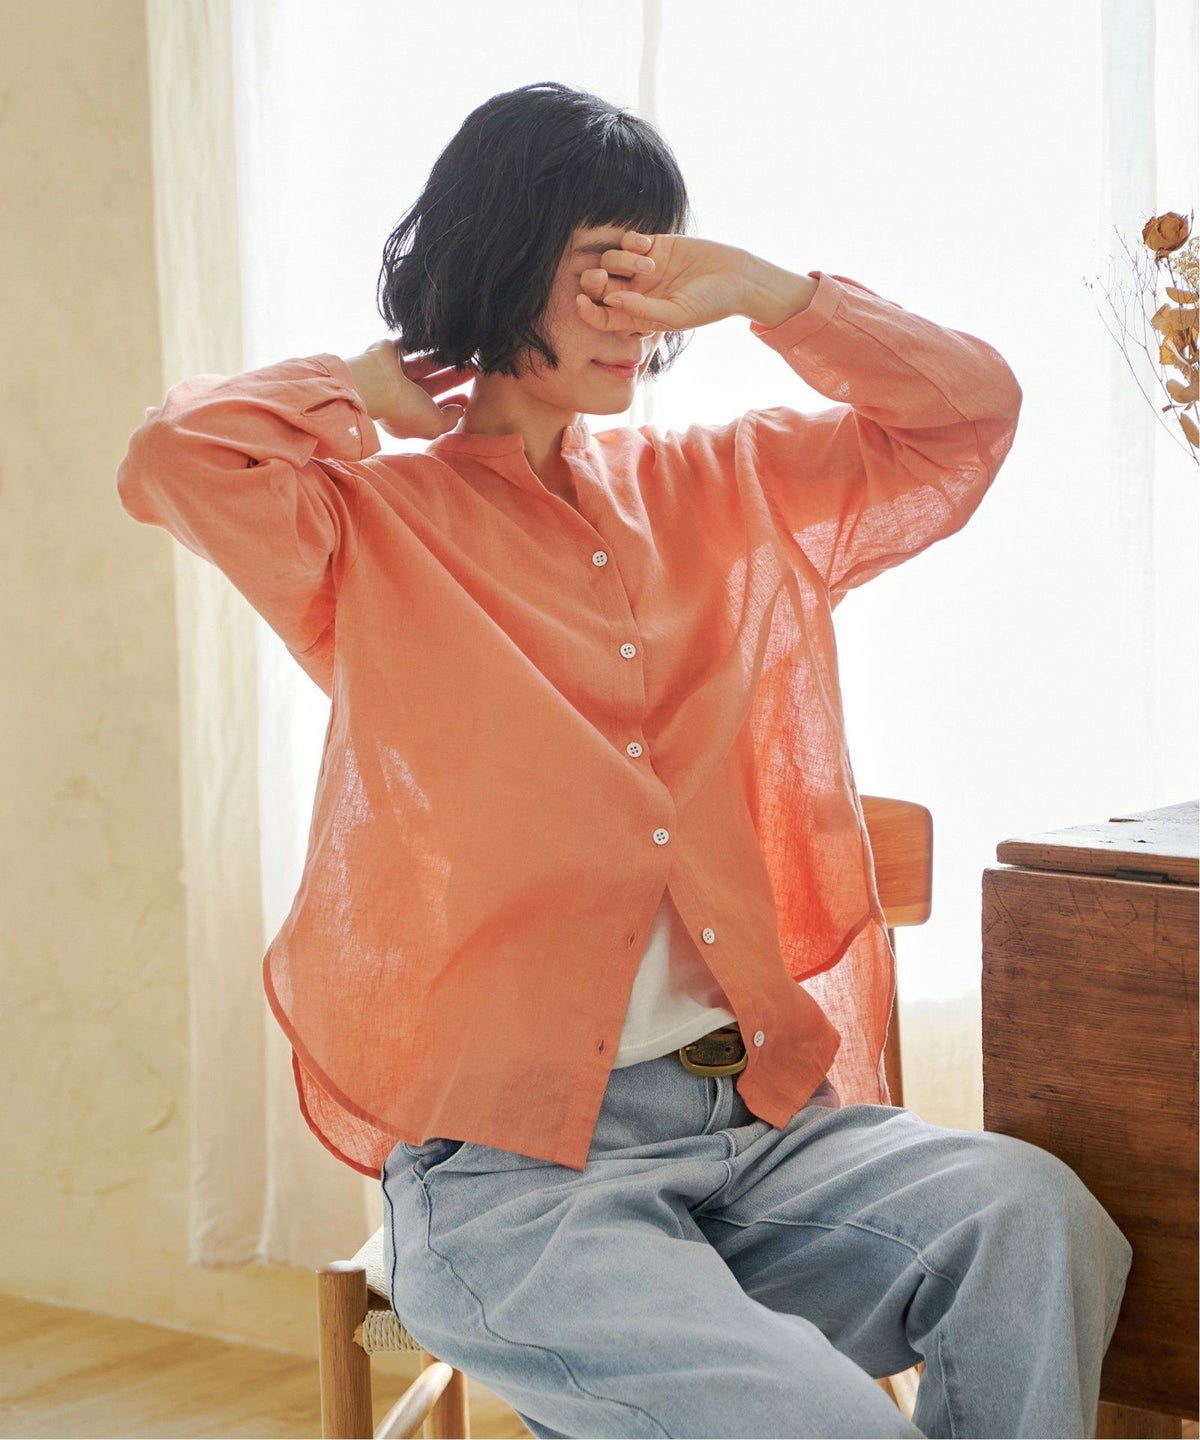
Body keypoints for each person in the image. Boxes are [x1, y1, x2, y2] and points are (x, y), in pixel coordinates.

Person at [117, 80, 1132, 1439]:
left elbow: (966, 416)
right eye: (602, 266)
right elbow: (173, 461)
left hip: (759, 1131)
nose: (638, 309)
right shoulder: (367, 528)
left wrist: (771, 294)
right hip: (518, 1182)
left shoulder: (718, 484)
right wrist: (355, 389)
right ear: (502, 256)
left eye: (652, 269)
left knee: (1037, 1224)